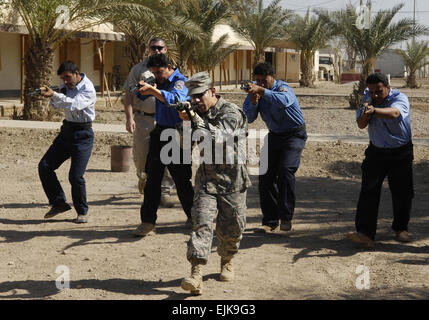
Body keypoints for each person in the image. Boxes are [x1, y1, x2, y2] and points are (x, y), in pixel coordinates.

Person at [178, 72, 251, 295]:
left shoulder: (231, 112)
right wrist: (186, 123)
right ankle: (196, 273)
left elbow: (219, 137)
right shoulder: (196, 114)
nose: (196, 101)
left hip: (233, 181)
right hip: (207, 181)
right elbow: (187, 143)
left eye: (200, 96)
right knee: (200, 223)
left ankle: (226, 260)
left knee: (232, 229)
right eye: (193, 97)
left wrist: (194, 119)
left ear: (213, 92)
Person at [347, 72, 414, 249]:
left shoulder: (400, 98)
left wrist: (374, 111)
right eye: (371, 91)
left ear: (388, 88)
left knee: (402, 192)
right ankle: (365, 233)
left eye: (379, 91)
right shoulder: (368, 100)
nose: (375, 95)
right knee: (368, 191)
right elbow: (361, 125)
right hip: (376, 152)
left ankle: (401, 228)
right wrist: (365, 112)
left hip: (400, 153)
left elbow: (395, 114)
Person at [133, 53, 194, 236]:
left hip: (176, 134)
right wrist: (143, 88)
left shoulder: (180, 81)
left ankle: (194, 217)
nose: (158, 76)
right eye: (154, 73)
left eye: (160, 72)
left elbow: (176, 100)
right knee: (152, 179)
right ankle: (148, 222)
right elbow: (139, 96)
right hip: (160, 132)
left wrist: (153, 91)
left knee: (181, 179)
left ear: (169, 67)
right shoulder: (156, 82)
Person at [243, 62, 307, 233]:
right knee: (265, 175)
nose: (261, 84)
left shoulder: (283, 88)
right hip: (274, 136)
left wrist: (261, 91)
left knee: (286, 171)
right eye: (258, 81)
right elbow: (248, 118)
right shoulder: (255, 92)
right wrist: (253, 101)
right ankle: (270, 221)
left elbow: (285, 101)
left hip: (294, 135)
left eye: (264, 80)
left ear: (274, 78)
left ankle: (286, 217)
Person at [38, 61, 96, 223]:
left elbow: (75, 104)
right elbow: (56, 105)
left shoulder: (88, 88)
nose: (65, 81)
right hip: (67, 132)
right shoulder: (65, 87)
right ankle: (58, 203)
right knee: (45, 166)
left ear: (77, 73)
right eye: (63, 79)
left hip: (83, 134)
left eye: (68, 77)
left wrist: (55, 95)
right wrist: (52, 95)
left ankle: (82, 212)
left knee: (76, 176)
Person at [122, 37, 175, 208]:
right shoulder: (138, 69)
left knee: (167, 155)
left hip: (165, 119)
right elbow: (129, 94)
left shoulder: (171, 69)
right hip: (143, 118)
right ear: (148, 48)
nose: (157, 51)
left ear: (165, 49)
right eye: (154, 48)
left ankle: (165, 191)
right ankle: (142, 177)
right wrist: (129, 118)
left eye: (160, 48)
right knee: (141, 156)